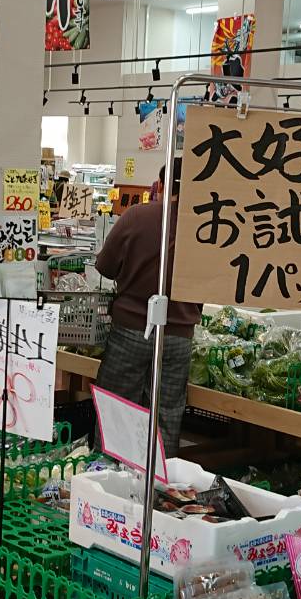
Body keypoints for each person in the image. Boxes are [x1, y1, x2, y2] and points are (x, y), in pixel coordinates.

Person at [94, 159, 201, 455]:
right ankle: (160, 477)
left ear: (162, 185)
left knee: (117, 405)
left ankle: (107, 471)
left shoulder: (137, 216)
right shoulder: (202, 226)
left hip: (131, 327)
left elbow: (105, 266)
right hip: (180, 334)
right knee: (167, 413)